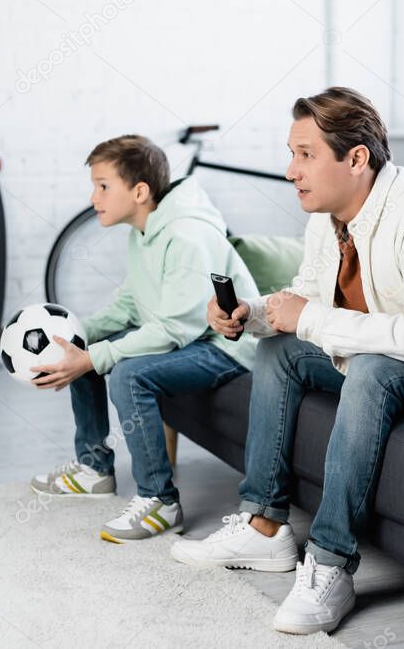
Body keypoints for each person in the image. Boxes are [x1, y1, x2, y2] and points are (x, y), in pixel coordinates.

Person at [170, 88, 404, 634]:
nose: (291, 170)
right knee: (278, 351)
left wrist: (307, 318)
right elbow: (305, 301)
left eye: (305, 154)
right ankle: (265, 526)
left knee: (370, 369)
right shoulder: (327, 216)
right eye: (291, 153)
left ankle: (330, 563)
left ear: (356, 158)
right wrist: (249, 314)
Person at [28, 134, 259, 544]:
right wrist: (71, 336)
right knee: (84, 351)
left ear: (139, 191)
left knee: (126, 375)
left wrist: (97, 358)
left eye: (103, 186)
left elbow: (175, 329)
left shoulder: (185, 236)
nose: (93, 196)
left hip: (225, 347)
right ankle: (94, 469)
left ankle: (160, 500)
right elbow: (130, 307)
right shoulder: (143, 232)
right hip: (191, 338)